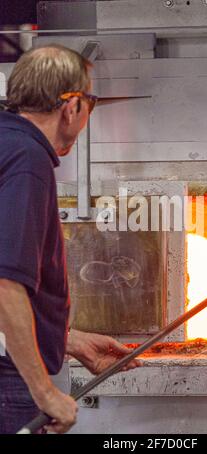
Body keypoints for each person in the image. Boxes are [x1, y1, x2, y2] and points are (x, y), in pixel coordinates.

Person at [0, 45, 141, 435]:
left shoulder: (7, 145)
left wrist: (65, 339)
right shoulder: (27, 159)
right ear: (72, 106)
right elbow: (6, 287)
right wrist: (45, 393)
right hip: (7, 380)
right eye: (90, 101)